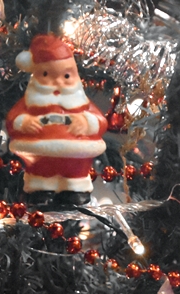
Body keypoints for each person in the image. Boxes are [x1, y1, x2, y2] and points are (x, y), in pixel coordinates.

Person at [6, 34, 108, 208]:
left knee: (75, 173)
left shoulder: (82, 103)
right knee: (41, 172)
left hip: (76, 157)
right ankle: (40, 190)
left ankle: (75, 190)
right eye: (46, 74)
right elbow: (12, 118)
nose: (58, 82)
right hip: (39, 157)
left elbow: (100, 121)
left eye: (66, 76)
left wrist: (87, 123)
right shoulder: (29, 102)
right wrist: (23, 122)